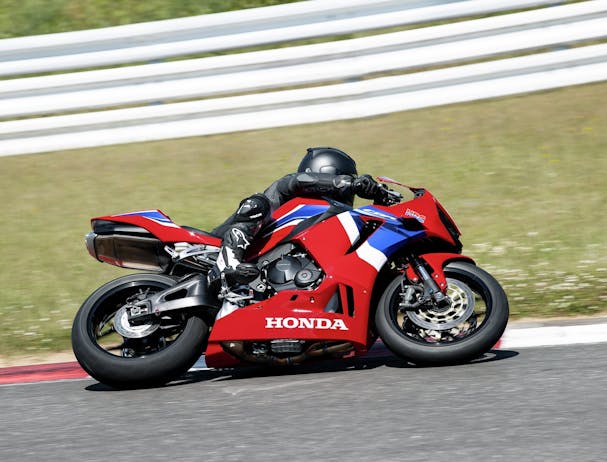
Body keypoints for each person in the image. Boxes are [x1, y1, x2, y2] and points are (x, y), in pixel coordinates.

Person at [210, 146, 383, 318]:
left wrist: (379, 197)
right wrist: (347, 182)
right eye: (347, 177)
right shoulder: (287, 187)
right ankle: (228, 266)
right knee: (257, 204)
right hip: (215, 246)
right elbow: (299, 180)